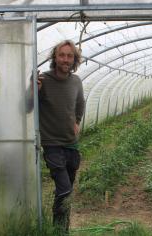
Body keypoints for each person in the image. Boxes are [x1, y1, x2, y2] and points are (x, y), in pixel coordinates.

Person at [37, 40, 85, 232]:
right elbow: (26, 108)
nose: (66, 59)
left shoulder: (76, 81)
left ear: (74, 60)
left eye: (69, 56)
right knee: (64, 189)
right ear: (55, 58)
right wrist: (34, 91)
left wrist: (77, 122)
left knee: (67, 191)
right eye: (62, 55)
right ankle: (59, 229)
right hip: (52, 145)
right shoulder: (44, 81)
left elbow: (80, 103)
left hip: (71, 145)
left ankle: (62, 228)